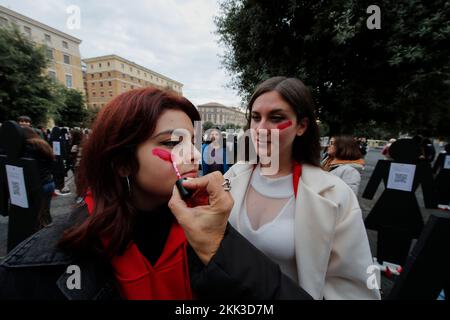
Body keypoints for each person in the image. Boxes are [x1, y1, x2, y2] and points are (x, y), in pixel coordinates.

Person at [0, 87, 311, 300]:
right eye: (171, 143)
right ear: (122, 162)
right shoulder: (39, 266)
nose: (193, 155)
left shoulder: (202, 224)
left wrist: (221, 247)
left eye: (192, 140)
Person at [224, 77, 380, 300]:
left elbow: (355, 286)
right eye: (256, 118)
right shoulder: (233, 175)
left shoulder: (334, 194)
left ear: (302, 126)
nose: (260, 128)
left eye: (276, 118)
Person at [21, 126, 56, 228]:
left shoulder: (28, 146)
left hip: (39, 183)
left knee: (38, 214)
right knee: (45, 211)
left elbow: (28, 166)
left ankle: (42, 236)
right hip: (49, 182)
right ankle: (49, 229)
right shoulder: (43, 144)